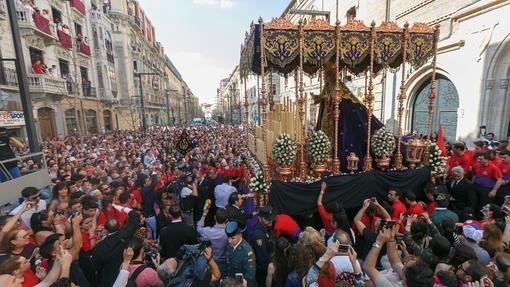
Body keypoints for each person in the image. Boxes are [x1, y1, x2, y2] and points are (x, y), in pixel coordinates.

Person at [197, 206, 228, 277]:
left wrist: (204, 214)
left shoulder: (208, 231)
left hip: (210, 262)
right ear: (226, 219)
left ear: (214, 217)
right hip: (224, 262)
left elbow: (198, 227)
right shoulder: (228, 232)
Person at [250, 205, 275, 287]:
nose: (270, 221)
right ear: (259, 218)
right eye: (266, 219)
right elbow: (263, 259)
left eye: (270, 218)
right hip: (264, 272)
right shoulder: (258, 236)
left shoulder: (266, 226)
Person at [225, 220, 255, 287]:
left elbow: (249, 276)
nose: (229, 241)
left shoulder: (247, 252)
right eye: (228, 238)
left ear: (240, 235)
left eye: (233, 238)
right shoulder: (231, 245)